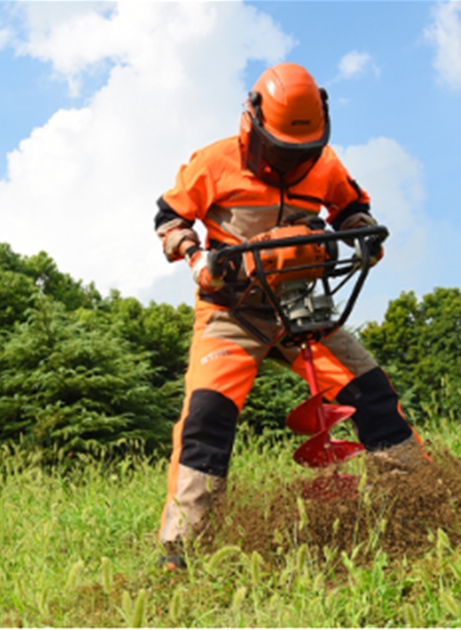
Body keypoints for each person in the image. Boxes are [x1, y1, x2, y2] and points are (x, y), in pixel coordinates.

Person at [153, 62, 425, 570]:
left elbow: (351, 208)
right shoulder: (213, 163)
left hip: (303, 305)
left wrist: (362, 234)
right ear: (252, 126)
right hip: (232, 310)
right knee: (207, 416)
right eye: (280, 149)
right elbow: (169, 216)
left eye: (301, 152)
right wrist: (194, 256)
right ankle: (184, 549)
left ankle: (422, 499)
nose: (292, 160)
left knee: (371, 393)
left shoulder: (324, 162)